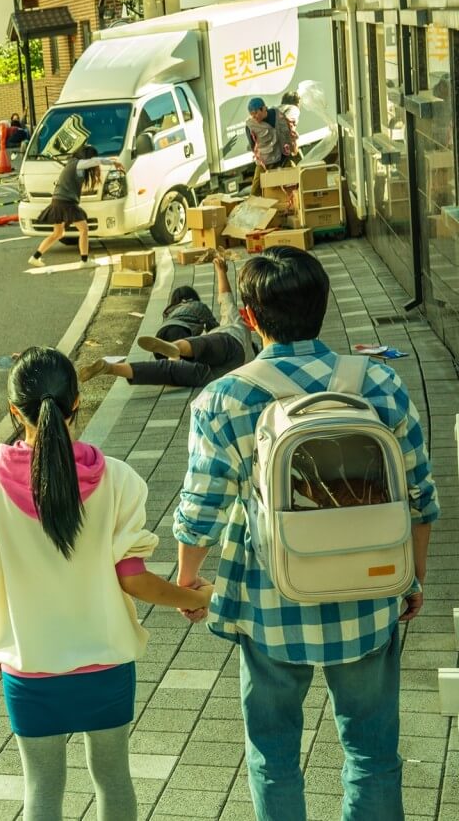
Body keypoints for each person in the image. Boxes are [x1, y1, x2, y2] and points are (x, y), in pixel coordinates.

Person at [174, 247, 438, 820]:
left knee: (273, 756)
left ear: (249, 318)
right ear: (323, 305)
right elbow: (420, 495)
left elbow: (202, 509)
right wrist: (412, 576)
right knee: (371, 753)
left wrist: (188, 580)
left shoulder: (224, 398)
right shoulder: (379, 383)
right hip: (369, 595)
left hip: (270, 603)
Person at [0, 346, 213, 821]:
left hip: (30, 666)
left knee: (41, 787)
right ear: (78, 402)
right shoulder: (117, 480)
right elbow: (134, 581)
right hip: (106, 661)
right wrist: (196, 596)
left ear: (15, 411)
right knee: (113, 775)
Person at [79, 256, 255, 388]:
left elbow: (225, 298)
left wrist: (221, 271)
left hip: (229, 344)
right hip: (217, 375)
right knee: (172, 370)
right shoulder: (252, 354)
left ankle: (175, 348)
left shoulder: (237, 325)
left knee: (195, 350)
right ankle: (111, 368)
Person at [29, 146, 125, 266]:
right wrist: (113, 162)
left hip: (58, 201)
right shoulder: (78, 164)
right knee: (84, 229)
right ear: (87, 157)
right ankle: (84, 261)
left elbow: (95, 161)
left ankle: (35, 257)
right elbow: (96, 161)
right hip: (66, 203)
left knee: (58, 233)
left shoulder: (72, 163)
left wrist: (112, 159)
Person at [246, 96, 298, 195]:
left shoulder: (278, 114)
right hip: (265, 162)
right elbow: (253, 146)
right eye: (252, 114)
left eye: (256, 113)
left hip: (283, 158)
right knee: (255, 191)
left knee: (296, 181)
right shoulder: (250, 126)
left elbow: (288, 132)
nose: (254, 117)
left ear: (264, 108)